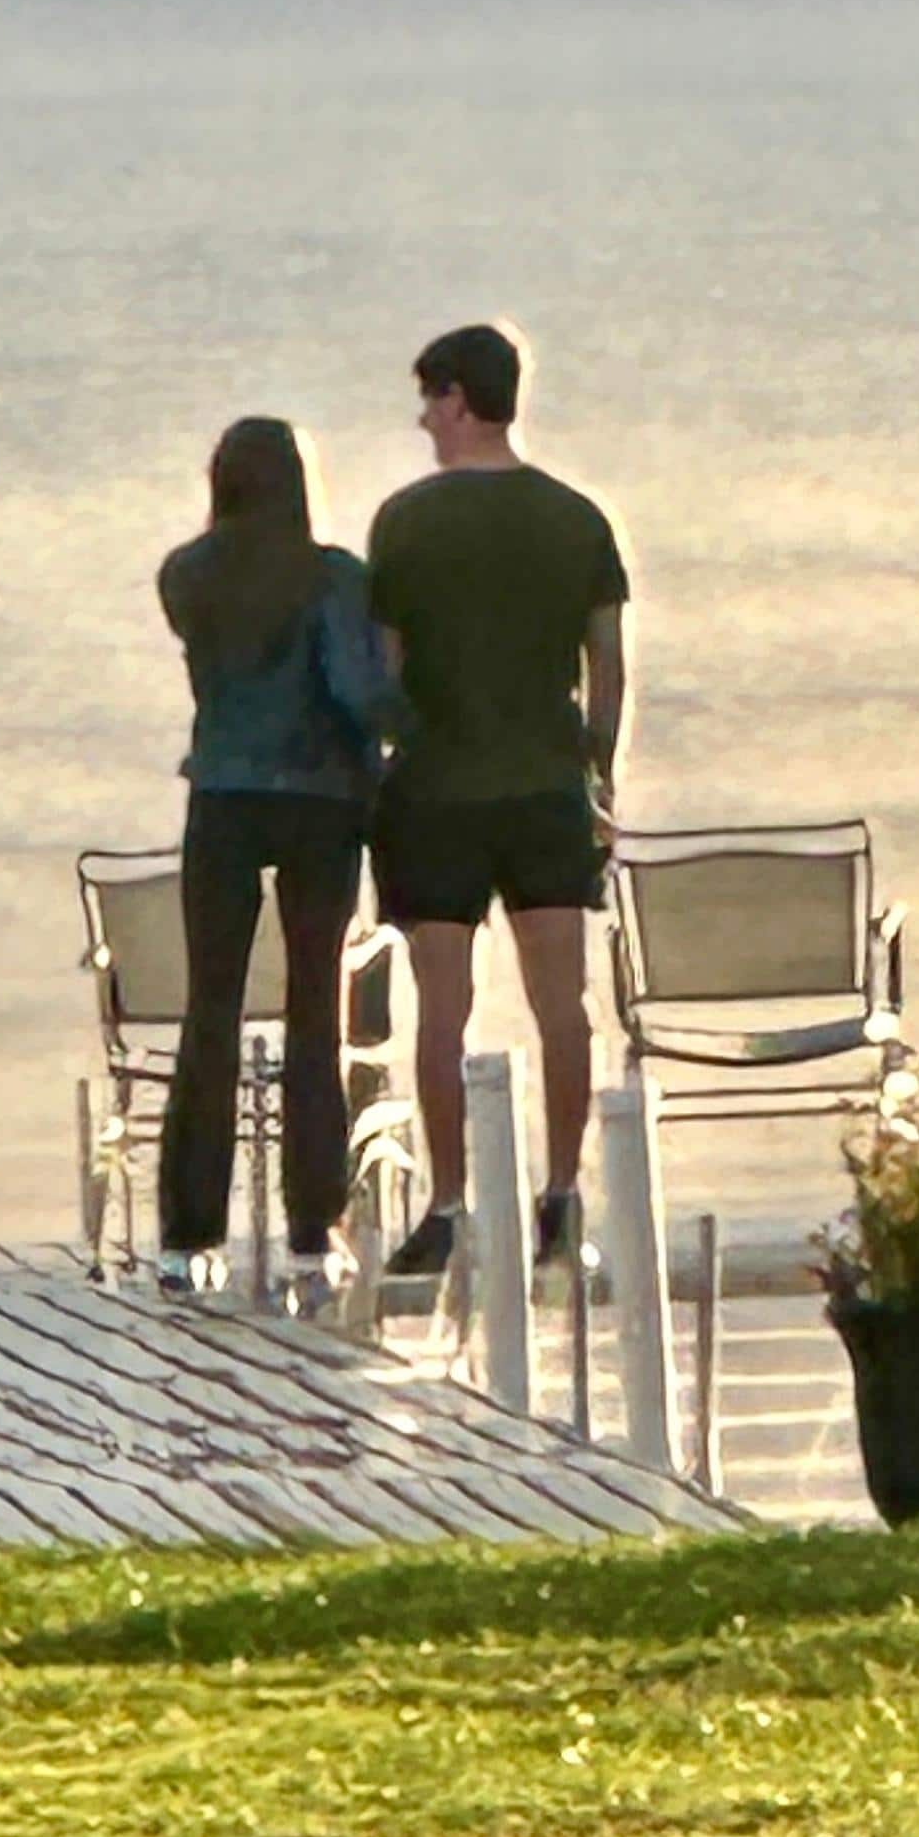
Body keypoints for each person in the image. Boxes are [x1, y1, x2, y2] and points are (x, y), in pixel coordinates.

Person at [365, 323, 629, 1323]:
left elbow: (385, 672)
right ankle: (561, 1198)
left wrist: (390, 754)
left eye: (431, 397)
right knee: (564, 1004)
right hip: (545, 792)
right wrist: (597, 772)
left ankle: (447, 1204)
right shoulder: (578, 521)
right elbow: (607, 668)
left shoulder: (404, 525)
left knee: (442, 1013)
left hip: (434, 792)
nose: (424, 417)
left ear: (463, 399)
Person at [154, 417, 402, 1316]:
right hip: (320, 804)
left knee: (209, 1011)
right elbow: (356, 689)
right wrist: (413, 721)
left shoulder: (186, 576)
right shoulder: (334, 578)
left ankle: (188, 1236)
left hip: (220, 795)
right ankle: (311, 1229)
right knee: (314, 1014)